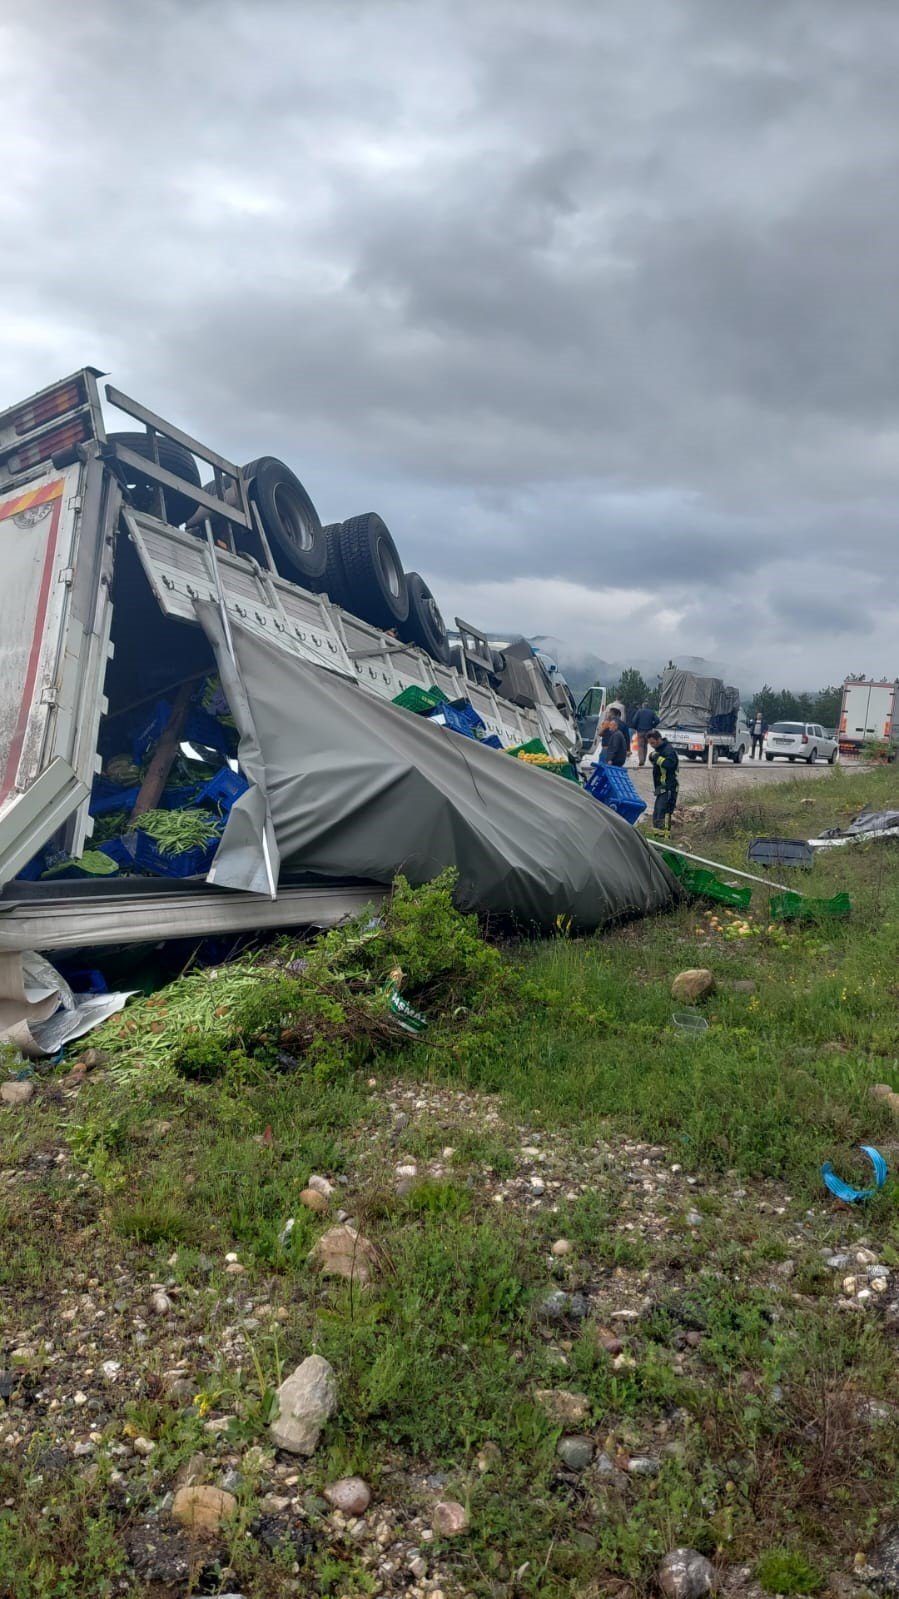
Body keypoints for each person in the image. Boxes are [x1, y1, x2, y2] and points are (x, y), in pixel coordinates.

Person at [647, 727, 679, 832]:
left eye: (653, 743)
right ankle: (658, 838)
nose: (652, 746)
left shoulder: (668, 750)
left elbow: (670, 764)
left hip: (668, 788)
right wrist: (652, 757)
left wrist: (656, 757)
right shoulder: (659, 750)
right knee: (657, 815)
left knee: (663, 814)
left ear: (659, 739)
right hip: (661, 788)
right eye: (650, 744)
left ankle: (664, 837)